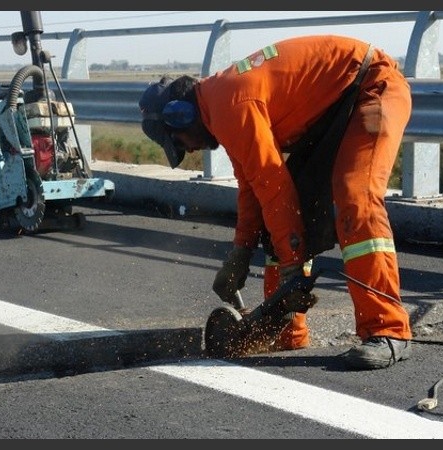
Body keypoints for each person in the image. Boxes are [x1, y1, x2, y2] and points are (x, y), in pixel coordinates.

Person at [138, 35, 413, 370]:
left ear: (180, 116)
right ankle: (288, 332)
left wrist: (293, 266)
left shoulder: (230, 104)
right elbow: (252, 189)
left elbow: (274, 189)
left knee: (356, 197)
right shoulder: (220, 106)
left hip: (371, 87)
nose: (189, 150)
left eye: (179, 142)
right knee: (279, 226)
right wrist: (238, 253)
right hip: (336, 110)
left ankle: (389, 330)